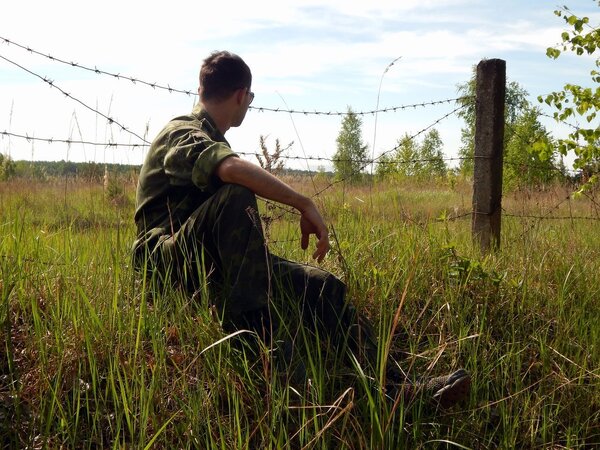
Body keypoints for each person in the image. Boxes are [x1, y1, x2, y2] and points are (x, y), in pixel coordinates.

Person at [132, 50, 470, 407]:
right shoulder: (183, 131)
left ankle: (394, 389)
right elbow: (229, 170)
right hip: (164, 265)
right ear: (241, 95)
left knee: (323, 287)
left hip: (211, 262)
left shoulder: (210, 134)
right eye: (250, 99)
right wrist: (303, 203)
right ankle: (266, 351)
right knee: (235, 195)